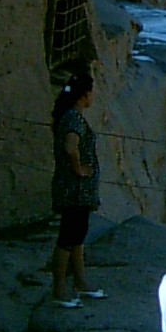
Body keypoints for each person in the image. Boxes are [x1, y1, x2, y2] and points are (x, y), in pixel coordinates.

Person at [50, 72, 100, 308]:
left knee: (77, 237)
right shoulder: (73, 119)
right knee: (68, 239)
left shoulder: (72, 117)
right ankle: (59, 289)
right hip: (74, 190)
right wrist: (79, 169)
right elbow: (71, 147)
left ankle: (81, 281)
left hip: (78, 191)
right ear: (85, 95)